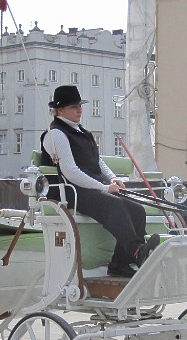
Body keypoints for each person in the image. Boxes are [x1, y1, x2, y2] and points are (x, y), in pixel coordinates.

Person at [40, 85, 158, 278]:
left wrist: (113, 178)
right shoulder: (56, 134)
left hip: (90, 188)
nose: (79, 110)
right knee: (115, 206)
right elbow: (70, 172)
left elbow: (98, 161)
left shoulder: (81, 131)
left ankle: (120, 263)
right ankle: (138, 250)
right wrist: (103, 187)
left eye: (80, 105)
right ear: (59, 110)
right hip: (72, 191)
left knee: (137, 210)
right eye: (73, 106)